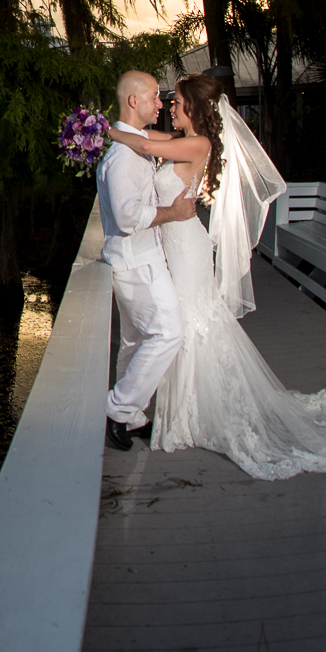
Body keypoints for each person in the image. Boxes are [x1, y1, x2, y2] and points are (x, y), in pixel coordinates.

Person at [104, 73, 326, 479]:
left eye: (178, 102)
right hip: (172, 244)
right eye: (167, 101)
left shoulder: (198, 143)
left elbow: (145, 144)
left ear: (195, 109)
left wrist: (100, 132)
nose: (171, 106)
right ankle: (158, 411)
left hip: (185, 245)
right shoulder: (180, 140)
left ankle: (181, 413)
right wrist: (115, 132)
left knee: (188, 323)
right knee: (182, 324)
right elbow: (148, 141)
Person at [97, 69, 202, 451]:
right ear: (133, 101)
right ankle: (117, 409)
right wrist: (171, 214)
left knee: (135, 340)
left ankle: (133, 416)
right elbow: (127, 218)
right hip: (137, 261)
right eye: (156, 97)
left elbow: (154, 145)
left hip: (140, 258)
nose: (161, 104)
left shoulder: (135, 143)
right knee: (168, 332)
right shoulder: (124, 157)